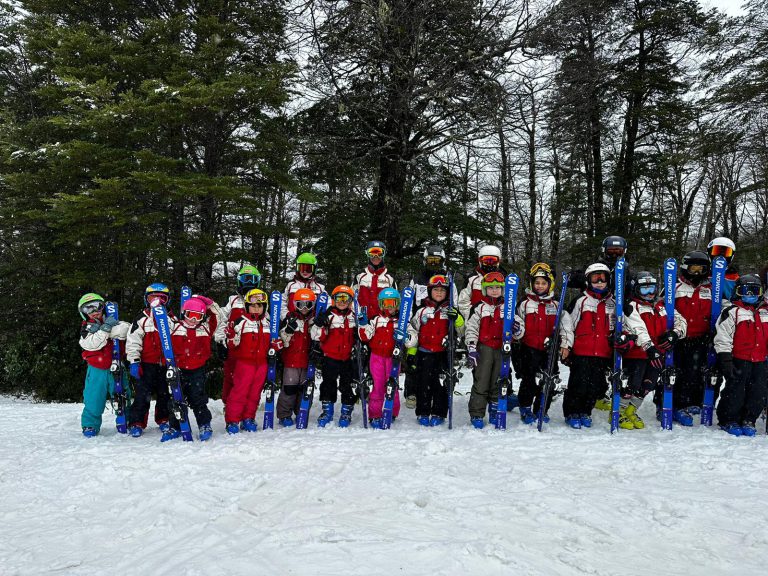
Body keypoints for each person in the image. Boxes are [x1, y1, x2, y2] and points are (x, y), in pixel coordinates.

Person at [620, 271, 687, 429]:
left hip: (657, 354)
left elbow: (681, 321)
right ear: (636, 289)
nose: (650, 293)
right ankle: (619, 411)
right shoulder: (631, 306)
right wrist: (649, 347)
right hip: (638, 354)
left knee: (648, 385)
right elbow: (638, 329)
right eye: (644, 290)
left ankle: (631, 410)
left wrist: (675, 334)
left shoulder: (662, 306)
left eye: (652, 289)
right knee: (632, 384)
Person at [559, 263, 616, 429]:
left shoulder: (612, 303)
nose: (599, 282)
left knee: (595, 385)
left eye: (602, 278)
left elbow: (615, 326)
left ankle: (586, 411)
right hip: (582, 350)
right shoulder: (581, 301)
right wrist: (567, 346)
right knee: (578, 384)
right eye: (595, 278)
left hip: (602, 351)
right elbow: (568, 325)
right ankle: (571, 412)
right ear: (588, 280)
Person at [464, 272, 524, 428]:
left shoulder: (509, 307)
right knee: (481, 382)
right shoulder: (479, 307)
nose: (495, 290)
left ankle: (495, 410)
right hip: (484, 349)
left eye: (498, 287)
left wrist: (517, 330)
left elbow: (520, 328)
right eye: (491, 288)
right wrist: (471, 347)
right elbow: (471, 328)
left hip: (502, 349)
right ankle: (477, 413)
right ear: (485, 290)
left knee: (498, 382)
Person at [406, 275, 465, 427]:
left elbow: (461, 330)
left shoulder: (450, 311)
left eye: (442, 290)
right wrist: (411, 354)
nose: (439, 293)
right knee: (423, 384)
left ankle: (439, 412)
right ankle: (423, 412)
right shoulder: (421, 311)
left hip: (442, 354)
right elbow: (413, 332)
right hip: (424, 353)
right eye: (436, 290)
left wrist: (457, 318)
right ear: (429, 291)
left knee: (441, 385)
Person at [714, 275, 768, 437]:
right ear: (738, 292)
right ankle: (729, 419)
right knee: (735, 390)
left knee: (758, 392)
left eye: (755, 291)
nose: (750, 294)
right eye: (746, 291)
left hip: (760, 360)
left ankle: (749, 419)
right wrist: (725, 359)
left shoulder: (765, 312)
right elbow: (723, 336)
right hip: (739, 359)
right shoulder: (732, 312)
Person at [404, 245, 457, 409]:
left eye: (437, 261)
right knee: (414, 361)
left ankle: (439, 393)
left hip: (440, 322)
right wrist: (411, 323)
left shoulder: (448, 280)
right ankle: (412, 392)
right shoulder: (418, 279)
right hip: (420, 322)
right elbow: (409, 302)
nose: (434, 264)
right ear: (425, 261)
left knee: (437, 365)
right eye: (430, 260)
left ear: (442, 262)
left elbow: (454, 301)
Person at [126, 283, 180, 440]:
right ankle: (137, 422)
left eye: (162, 299)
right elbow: (133, 341)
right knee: (142, 394)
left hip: (166, 364)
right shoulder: (142, 319)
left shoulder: (172, 319)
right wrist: (134, 361)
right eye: (152, 298)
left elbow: (177, 338)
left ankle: (163, 418)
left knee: (165, 394)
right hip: (147, 363)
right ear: (146, 300)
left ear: (167, 301)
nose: (157, 302)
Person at [169, 295, 223, 441]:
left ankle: (204, 424)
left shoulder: (205, 328)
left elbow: (218, 315)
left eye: (198, 317)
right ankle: (175, 426)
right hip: (178, 369)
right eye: (190, 315)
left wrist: (209, 303)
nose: (193, 320)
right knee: (176, 399)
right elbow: (160, 322)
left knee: (198, 399)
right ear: (183, 313)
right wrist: (160, 308)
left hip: (197, 370)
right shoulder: (175, 326)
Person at [77, 294, 130, 437]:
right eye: (89, 308)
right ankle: (90, 425)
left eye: (98, 306)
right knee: (94, 398)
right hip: (96, 369)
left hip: (116, 364)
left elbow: (126, 329)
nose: (95, 311)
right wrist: (106, 330)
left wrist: (109, 327)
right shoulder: (86, 328)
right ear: (84, 313)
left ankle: (126, 419)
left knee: (122, 394)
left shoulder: (112, 320)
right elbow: (92, 344)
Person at [671, 250, 714, 426]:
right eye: (693, 268)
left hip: (701, 339)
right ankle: (670, 404)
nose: (697, 273)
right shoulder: (676, 288)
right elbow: (662, 308)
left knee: (696, 372)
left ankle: (692, 402)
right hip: (680, 339)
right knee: (676, 372)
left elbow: (722, 310)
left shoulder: (711, 289)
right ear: (685, 268)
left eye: (701, 269)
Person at [225, 289, 276, 434]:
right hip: (244, 363)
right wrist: (231, 337)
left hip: (261, 364)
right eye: (253, 305)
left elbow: (273, 342)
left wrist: (276, 345)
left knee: (255, 393)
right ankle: (233, 420)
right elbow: (232, 344)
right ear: (247, 306)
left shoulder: (268, 322)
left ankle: (248, 418)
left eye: (260, 306)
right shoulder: (241, 322)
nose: (257, 308)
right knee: (239, 392)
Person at [515, 263, 560, 425]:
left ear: (550, 284)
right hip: (529, 348)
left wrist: (563, 343)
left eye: (543, 283)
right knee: (529, 380)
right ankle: (525, 407)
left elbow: (565, 327)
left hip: (549, 350)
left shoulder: (556, 304)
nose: (540, 286)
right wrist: (516, 330)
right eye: (537, 283)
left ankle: (542, 408)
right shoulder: (524, 303)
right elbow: (517, 323)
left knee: (549, 380)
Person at [311, 285, 358, 427]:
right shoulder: (328, 315)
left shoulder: (353, 317)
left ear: (350, 301)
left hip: (347, 358)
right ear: (333, 300)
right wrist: (319, 324)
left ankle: (346, 411)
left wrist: (358, 334)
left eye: (346, 298)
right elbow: (316, 335)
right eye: (339, 298)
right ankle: (327, 411)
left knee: (347, 385)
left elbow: (362, 334)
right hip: (330, 357)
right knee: (328, 384)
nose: (342, 302)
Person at [216, 264, 261, 405]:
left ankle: (246, 406)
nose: (248, 283)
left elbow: (266, 322)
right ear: (239, 281)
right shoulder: (233, 301)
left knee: (249, 378)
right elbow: (221, 320)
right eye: (245, 279)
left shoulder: (260, 301)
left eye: (252, 279)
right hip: (233, 347)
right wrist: (220, 341)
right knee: (230, 377)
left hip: (251, 349)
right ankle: (228, 404)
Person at [358, 288, 402, 428]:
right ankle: (375, 414)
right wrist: (363, 324)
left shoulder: (401, 321)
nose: (389, 307)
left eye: (392, 303)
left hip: (393, 358)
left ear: (398, 304)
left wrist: (405, 336)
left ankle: (392, 411)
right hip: (376, 357)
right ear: (381, 305)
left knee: (392, 385)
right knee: (377, 386)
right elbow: (365, 337)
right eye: (386, 303)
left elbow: (411, 340)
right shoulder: (376, 320)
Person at [276, 288, 317, 426]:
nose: (304, 308)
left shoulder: (314, 321)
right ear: (295, 305)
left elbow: (320, 337)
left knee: (305, 389)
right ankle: (284, 414)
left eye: (308, 305)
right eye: (300, 304)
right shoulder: (290, 319)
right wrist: (288, 331)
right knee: (289, 388)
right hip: (291, 361)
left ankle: (302, 411)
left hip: (307, 362)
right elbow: (283, 340)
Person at [457, 245, 504, 320]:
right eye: (486, 261)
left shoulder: (503, 279)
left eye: (493, 261)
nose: (489, 264)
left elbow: (509, 302)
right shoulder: (472, 279)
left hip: (498, 321)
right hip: (476, 320)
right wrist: (473, 318)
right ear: (480, 261)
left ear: (498, 261)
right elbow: (463, 303)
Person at [354, 240, 397, 318]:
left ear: (383, 254)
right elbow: (352, 298)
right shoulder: (360, 275)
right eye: (372, 253)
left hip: (382, 322)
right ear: (367, 254)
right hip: (363, 321)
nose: (375, 257)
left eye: (379, 253)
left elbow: (395, 300)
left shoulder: (389, 277)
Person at [282, 252, 325, 318]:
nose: (305, 271)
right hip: (293, 322)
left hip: (313, 323)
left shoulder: (319, 287)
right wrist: (286, 315)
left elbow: (327, 303)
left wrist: (322, 318)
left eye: (308, 269)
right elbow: (282, 302)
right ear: (297, 268)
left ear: (314, 269)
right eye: (302, 268)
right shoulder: (291, 285)